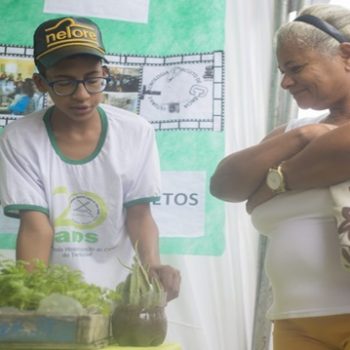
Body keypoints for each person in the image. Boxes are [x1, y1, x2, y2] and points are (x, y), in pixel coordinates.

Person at [0, 16, 180, 301]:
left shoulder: (136, 132)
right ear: (41, 82)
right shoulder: (19, 138)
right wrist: (31, 296)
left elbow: (139, 215)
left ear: (105, 72)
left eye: (92, 79)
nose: (81, 95)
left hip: (119, 295)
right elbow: (36, 227)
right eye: (64, 82)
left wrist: (152, 267)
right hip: (54, 296)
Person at [210, 4, 350, 350]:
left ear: (346, 55)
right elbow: (225, 185)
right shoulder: (294, 130)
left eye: (295, 67)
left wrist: (278, 181)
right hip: (293, 323)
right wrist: (302, 137)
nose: (285, 82)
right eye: (281, 72)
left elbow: (339, 151)